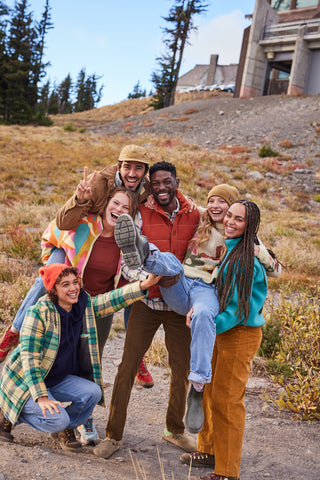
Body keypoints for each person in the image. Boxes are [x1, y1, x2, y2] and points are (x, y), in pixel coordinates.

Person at [113, 185, 280, 435]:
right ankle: (142, 250)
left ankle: (198, 385)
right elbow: (175, 195)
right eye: (211, 200)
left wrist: (260, 252)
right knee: (169, 262)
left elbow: (275, 270)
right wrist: (141, 186)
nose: (216, 207)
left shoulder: (243, 234)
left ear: (234, 208)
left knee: (203, 313)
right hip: (181, 281)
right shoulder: (202, 215)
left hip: (206, 289)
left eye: (223, 203)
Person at [0, 144, 154, 388]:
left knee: (134, 291)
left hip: (112, 244)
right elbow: (63, 223)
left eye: (139, 168)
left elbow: (171, 193)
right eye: (127, 167)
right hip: (75, 238)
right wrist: (80, 199)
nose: (133, 173)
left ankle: (137, 356)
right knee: (50, 278)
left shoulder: (147, 188)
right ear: (118, 166)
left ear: (145, 171)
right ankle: (15, 332)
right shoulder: (99, 182)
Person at [92, 161, 201, 460]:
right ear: (151, 185)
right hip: (146, 302)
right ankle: (113, 435)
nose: (162, 187)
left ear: (177, 182)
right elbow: (127, 259)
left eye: (168, 182)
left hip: (180, 304)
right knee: (128, 366)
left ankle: (174, 430)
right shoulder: (140, 214)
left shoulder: (195, 214)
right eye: (157, 183)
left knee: (182, 369)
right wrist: (143, 280)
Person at [0, 263, 159, 452]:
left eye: (75, 282)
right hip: (26, 383)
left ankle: (65, 429)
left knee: (93, 392)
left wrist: (142, 285)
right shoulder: (38, 313)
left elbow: (111, 300)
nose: (73, 288)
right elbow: (30, 360)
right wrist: (42, 398)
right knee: (57, 420)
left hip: (56, 378)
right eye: (65, 284)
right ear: (53, 290)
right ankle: (8, 413)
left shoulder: (83, 305)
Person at [180, 200, 272, 480]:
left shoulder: (246, 260)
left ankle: (227, 471)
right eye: (229, 216)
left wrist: (203, 322)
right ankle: (209, 450)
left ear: (250, 226)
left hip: (240, 333)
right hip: (222, 332)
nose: (230, 222)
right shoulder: (230, 247)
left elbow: (236, 310)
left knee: (227, 401)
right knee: (208, 389)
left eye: (239, 219)